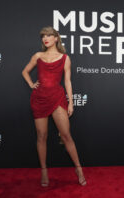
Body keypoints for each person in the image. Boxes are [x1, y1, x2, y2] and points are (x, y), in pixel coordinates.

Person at [22, 26, 86, 187]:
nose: (45, 38)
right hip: (39, 99)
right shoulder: (38, 55)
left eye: (49, 35)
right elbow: (25, 71)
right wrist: (31, 84)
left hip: (57, 98)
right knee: (41, 136)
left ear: (56, 38)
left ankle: (78, 169)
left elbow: (67, 81)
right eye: (43, 36)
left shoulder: (65, 58)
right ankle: (44, 170)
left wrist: (71, 102)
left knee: (66, 136)